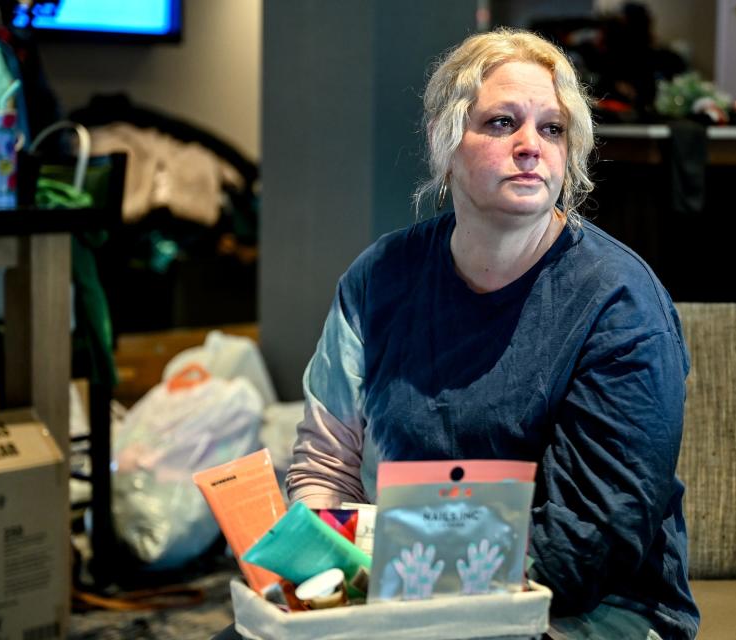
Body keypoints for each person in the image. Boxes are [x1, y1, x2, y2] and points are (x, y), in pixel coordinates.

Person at [287, 28, 698, 640]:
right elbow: (327, 466)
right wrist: (333, 580)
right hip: (396, 597)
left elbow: (591, 540)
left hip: (587, 611)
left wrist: (410, 596)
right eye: (503, 123)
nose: (532, 147)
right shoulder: (378, 279)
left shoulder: (619, 302)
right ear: (445, 142)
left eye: (552, 129)